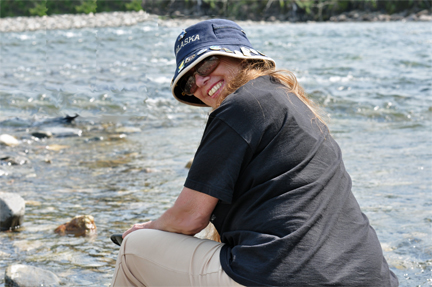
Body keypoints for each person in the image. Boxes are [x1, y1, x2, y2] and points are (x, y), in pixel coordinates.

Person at [111, 19, 398, 286]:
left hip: (287, 276)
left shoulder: (239, 107)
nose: (199, 82)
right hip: (369, 277)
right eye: (188, 81)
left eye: (207, 63)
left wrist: (148, 227)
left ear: (241, 56)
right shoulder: (289, 102)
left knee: (134, 249)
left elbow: (189, 218)